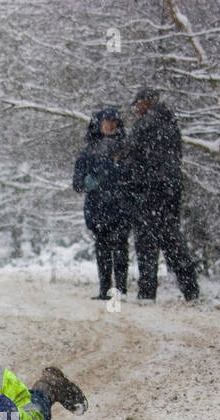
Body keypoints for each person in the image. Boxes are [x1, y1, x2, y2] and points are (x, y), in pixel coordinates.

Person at [124, 88, 199, 303]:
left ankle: (147, 292)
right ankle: (190, 289)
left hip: (149, 190)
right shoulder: (170, 122)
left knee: (147, 242)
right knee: (171, 238)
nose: (135, 111)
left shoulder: (145, 125)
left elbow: (132, 153)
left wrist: (131, 173)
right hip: (170, 189)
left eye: (136, 105)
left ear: (144, 103)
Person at [73, 107, 131, 300]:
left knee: (120, 249)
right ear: (98, 125)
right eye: (106, 122)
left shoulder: (126, 148)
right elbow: (77, 183)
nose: (110, 125)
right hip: (98, 208)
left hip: (121, 205)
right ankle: (105, 289)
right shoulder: (88, 151)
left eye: (114, 122)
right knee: (103, 250)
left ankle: (120, 290)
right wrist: (90, 182)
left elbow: (135, 175)